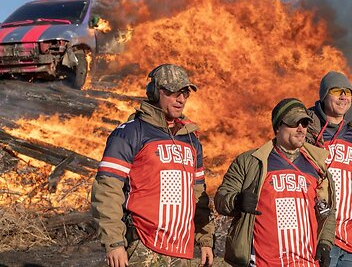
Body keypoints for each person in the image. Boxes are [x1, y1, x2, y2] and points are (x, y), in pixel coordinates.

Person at [91, 64, 214, 267]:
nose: (181, 99)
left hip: (181, 250)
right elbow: (107, 190)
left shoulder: (191, 139)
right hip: (142, 246)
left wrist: (205, 238)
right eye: (173, 92)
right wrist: (114, 242)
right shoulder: (130, 133)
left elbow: (198, 193)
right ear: (154, 92)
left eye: (184, 93)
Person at [215, 98, 336, 267]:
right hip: (263, 261)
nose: (301, 129)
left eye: (304, 123)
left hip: (305, 261)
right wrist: (237, 201)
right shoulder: (250, 162)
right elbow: (221, 198)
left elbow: (328, 210)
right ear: (278, 126)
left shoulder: (318, 167)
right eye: (294, 123)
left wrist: (325, 243)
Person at [305, 71, 352, 267]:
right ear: (324, 95)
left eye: (348, 92)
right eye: (336, 91)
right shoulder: (307, 132)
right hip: (320, 231)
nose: (343, 96)